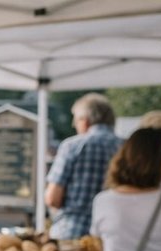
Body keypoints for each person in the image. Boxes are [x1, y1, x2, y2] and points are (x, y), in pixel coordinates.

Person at [45, 93, 120, 240]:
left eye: (76, 120)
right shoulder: (126, 147)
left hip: (72, 232)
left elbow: (53, 198)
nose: (74, 125)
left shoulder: (72, 146)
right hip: (112, 235)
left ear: (85, 121)